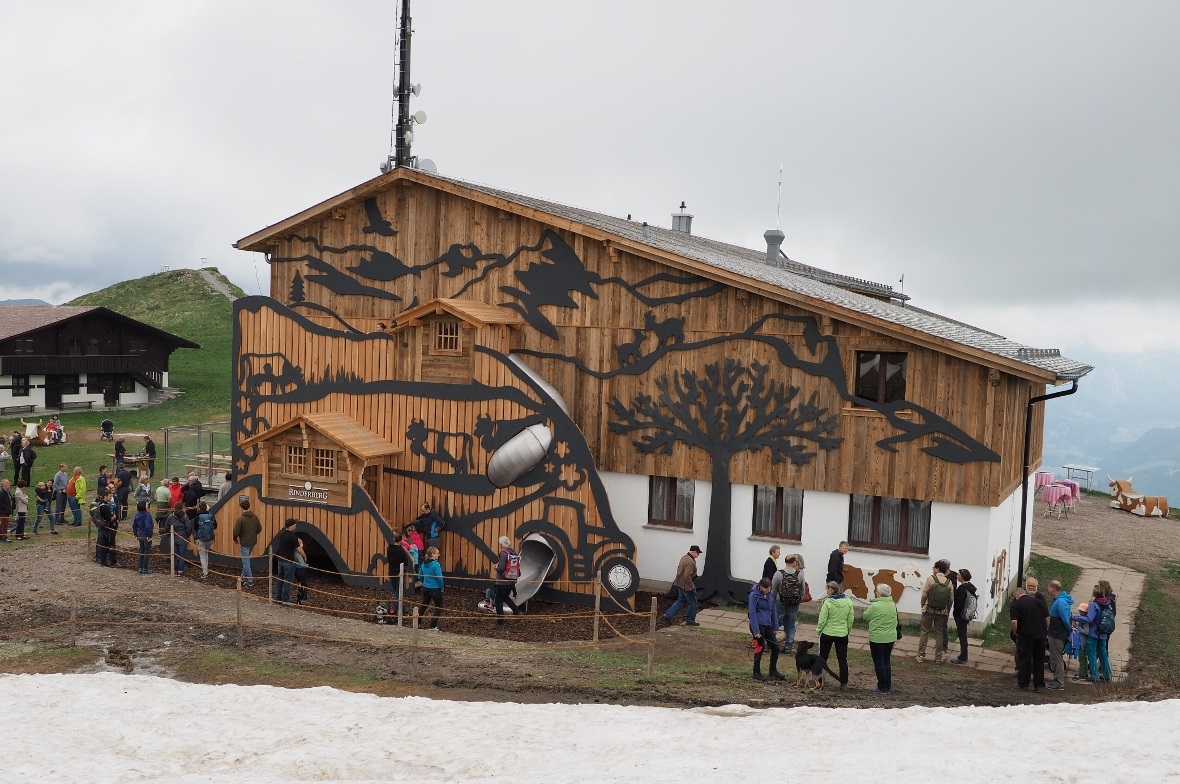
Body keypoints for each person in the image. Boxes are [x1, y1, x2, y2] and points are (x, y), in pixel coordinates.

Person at [1010, 586, 1049, 692]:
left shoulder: (1017, 604)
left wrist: (1015, 632)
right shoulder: (1039, 602)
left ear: (1017, 595)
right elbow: (1047, 618)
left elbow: (1014, 622)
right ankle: (1039, 685)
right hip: (1040, 635)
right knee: (1039, 660)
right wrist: (1045, 630)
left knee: (1024, 659)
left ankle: (1023, 684)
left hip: (1025, 635)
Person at [816, 580, 853, 688]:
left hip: (828, 633)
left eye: (827, 589)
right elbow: (850, 618)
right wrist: (847, 629)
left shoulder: (828, 602)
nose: (826, 591)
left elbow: (823, 619)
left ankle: (819, 680)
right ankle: (844, 682)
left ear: (831, 589)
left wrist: (819, 630)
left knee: (822, 658)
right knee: (842, 659)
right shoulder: (848, 601)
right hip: (842, 634)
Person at [863, 583, 899, 694]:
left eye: (876, 591)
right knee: (886, 661)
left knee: (879, 662)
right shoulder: (892, 604)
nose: (875, 593)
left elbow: (865, 616)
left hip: (877, 638)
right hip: (890, 637)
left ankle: (882, 687)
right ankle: (887, 684)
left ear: (879, 593)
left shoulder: (876, 606)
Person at [916, 560, 954, 663]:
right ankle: (938, 658)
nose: (933, 569)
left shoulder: (930, 579)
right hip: (941, 612)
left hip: (928, 609)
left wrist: (923, 605)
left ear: (937, 569)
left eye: (934, 567)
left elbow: (924, 593)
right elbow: (951, 599)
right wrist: (947, 609)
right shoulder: (949, 582)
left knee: (924, 632)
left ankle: (921, 655)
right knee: (939, 634)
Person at [747, 577, 783, 680]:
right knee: (760, 647)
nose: (768, 590)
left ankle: (773, 671)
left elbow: (773, 610)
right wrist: (756, 630)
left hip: (767, 624)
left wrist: (775, 626)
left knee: (775, 648)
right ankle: (756, 671)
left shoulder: (769, 595)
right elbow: (752, 613)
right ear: (760, 587)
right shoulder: (754, 596)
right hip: (758, 624)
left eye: (769, 588)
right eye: (766, 589)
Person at [662, 545, 703, 626]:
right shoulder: (690, 561)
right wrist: (691, 585)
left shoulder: (684, 557)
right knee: (692, 603)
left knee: (681, 600)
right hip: (686, 586)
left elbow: (679, 570)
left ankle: (668, 615)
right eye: (698, 553)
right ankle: (690, 620)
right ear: (694, 552)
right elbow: (687, 575)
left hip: (679, 583)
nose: (698, 555)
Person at [771, 554, 805, 649]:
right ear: (794, 562)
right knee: (791, 625)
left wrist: (773, 602)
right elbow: (802, 590)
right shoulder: (800, 574)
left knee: (775, 623)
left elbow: (774, 590)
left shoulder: (778, 574)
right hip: (794, 604)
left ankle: (771, 642)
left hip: (780, 602)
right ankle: (788, 646)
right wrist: (798, 600)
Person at [1081, 584, 1113, 683]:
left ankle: (1094, 676)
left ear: (1094, 593)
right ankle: (1107, 675)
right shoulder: (1108, 603)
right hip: (1103, 633)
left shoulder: (1094, 605)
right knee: (1103, 654)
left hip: (1093, 633)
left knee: (1092, 654)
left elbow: (1089, 619)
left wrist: (1076, 618)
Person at [1045, 579, 1073, 690]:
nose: (1047, 589)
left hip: (1057, 634)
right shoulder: (1061, 600)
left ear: (1053, 588)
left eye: (1049, 587)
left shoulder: (1060, 602)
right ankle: (1057, 681)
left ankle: (1059, 682)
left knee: (1056, 658)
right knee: (1055, 657)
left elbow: (1065, 619)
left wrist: (1069, 629)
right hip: (1056, 632)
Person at [950, 567, 977, 665]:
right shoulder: (970, 587)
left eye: (958, 575)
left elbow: (960, 604)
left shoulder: (961, 589)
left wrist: (956, 613)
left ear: (962, 577)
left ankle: (963, 657)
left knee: (962, 636)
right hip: (967, 615)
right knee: (963, 635)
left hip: (961, 616)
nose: (957, 576)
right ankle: (963, 656)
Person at [232, 498, 263, 587]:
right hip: (253, 541)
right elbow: (259, 528)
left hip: (244, 542)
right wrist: (253, 534)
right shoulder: (255, 517)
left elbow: (236, 532)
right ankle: (243, 577)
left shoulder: (240, 519)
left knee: (246, 562)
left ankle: (250, 580)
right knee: (246, 560)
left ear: (241, 508)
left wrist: (235, 539)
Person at [493, 535, 522, 625]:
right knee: (505, 597)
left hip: (502, 582)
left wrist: (496, 568)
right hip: (511, 580)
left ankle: (500, 622)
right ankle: (517, 612)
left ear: (500, 544)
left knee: (498, 601)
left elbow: (501, 568)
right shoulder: (514, 553)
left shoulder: (503, 553)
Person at [272, 518, 300, 604]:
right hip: (289, 560)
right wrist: (304, 556)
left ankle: (278, 596)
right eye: (294, 524)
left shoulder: (281, 534)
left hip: (281, 559)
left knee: (280, 578)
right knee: (287, 581)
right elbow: (298, 548)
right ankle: (285, 599)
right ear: (291, 526)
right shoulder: (293, 537)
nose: (295, 525)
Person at [386, 531, 415, 610]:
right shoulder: (401, 550)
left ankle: (400, 608)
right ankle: (398, 610)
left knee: (397, 592)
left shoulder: (389, 549)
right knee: (398, 593)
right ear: (401, 540)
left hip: (391, 572)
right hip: (400, 573)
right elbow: (406, 562)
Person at [419, 546, 444, 630]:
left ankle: (417, 623)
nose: (439, 555)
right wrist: (441, 587)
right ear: (433, 554)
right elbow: (439, 578)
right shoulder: (436, 564)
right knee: (439, 606)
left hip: (425, 588)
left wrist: (424, 582)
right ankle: (433, 626)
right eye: (437, 553)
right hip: (435, 589)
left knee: (424, 605)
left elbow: (419, 576)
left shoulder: (423, 564)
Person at [165, 502, 192, 576]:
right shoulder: (185, 516)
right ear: (182, 508)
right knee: (182, 556)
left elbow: (166, 526)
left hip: (173, 537)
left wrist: (168, 534)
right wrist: (187, 535)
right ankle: (180, 571)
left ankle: (174, 570)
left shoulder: (170, 516)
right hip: (182, 537)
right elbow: (188, 528)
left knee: (173, 555)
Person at [94, 490, 119, 567]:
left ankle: (103, 560)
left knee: (103, 544)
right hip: (108, 528)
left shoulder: (99, 504)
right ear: (105, 496)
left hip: (103, 527)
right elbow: (109, 518)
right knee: (110, 544)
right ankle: (113, 561)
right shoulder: (104, 507)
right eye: (110, 496)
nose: (111, 497)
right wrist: (114, 517)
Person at [194, 501, 216, 579]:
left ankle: (205, 572)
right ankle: (206, 570)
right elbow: (215, 526)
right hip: (210, 538)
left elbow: (195, 527)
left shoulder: (198, 516)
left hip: (201, 538)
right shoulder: (211, 515)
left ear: (199, 508)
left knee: (202, 555)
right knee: (206, 553)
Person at [1070, 602, 1092, 682]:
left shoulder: (1085, 621)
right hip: (1081, 642)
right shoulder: (1082, 619)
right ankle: (1082, 672)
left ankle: (1082, 674)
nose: (1079, 612)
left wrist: (1077, 627)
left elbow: (1086, 631)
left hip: (1082, 643)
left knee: (1082, 658)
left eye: (1080, 611)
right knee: (1082, 658)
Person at [132, 500, 153, 574]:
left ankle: (140, 568)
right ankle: (145, 569)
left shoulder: (137, 514)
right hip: (146, 535)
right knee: (146, 552)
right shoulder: (147, 515)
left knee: (142, 551)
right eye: (146, 505)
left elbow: (134, 525)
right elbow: (148, 526)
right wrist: (149, 535)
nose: (148, 506)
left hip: (140, 535)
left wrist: (135, 534)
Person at [51, 463, 69, 528]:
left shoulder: (66, 474)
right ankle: (56, 519)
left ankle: (62, 518)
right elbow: (54, 484)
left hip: (65, 491)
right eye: (65, 467)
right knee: (58, 506)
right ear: (61, 467)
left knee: (63, 505)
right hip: (60, 492)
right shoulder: (58, 475)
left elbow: (66, 482)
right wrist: (59, 490)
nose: (66, 468)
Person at [293, 538, 309, 605]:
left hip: (296, 569)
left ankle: (299, 599)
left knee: (300, 584)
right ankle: (302, 599)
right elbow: (302, 563)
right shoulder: (297, 552)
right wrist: (306, 565)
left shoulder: (293, 550)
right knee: (303, 584)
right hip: (300, 569)